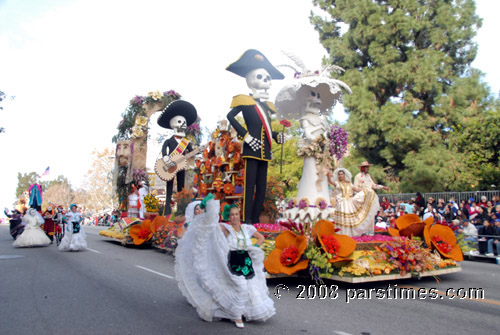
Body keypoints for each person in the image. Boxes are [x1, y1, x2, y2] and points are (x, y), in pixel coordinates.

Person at [175, 196, 275, 328]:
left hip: (246, 262)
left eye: (236, 214)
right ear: (228, 216)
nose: (234, 217)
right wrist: (209, 208)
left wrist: (253, 248)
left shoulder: (247, 228)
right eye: (231, 215)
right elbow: (211, 225)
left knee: (251, 289)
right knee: (240, 287)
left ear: (239, 215)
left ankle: (243, 312)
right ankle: (236, 315)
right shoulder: (225, 228)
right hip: (232, 262)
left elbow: (261, 238)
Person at [226, 49, 285, 224]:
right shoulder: (244, 100)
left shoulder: (267, 106)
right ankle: (246, 221)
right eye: (260, 77)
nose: (265, 81)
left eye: (267, 78)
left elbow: (265, 128)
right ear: (250, 80)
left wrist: (275, 136)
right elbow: (230, 117)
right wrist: (245, 136)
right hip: (251, 148)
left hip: (265, 150)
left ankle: (256, 220)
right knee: (249, 186)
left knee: (262, 188)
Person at [158, 100, 197, 215]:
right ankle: (167, 211)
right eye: (180, 122)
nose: (183, 125)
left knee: (181, 188)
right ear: (173, 123)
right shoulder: (169, 141)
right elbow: (164, 150)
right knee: (169, 188)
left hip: (181, 166)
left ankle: (181, 211)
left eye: (184, 122)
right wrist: (165, 157)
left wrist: (198, 151)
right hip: (170, 165)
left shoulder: (185, 142)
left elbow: (192, 152)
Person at [328, 168, 379, 236]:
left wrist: (367, 191)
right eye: (339, 174)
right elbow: (330, 181)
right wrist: (327, 175)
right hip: (341, 204)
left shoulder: (349, 184)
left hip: (349, 203)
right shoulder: (337, 183)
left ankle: (349, 234)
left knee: (350, 220)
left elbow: (357, 189)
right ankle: (342, 233)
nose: (340, 176)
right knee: (343, 219)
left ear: (344, 175)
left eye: (342, 174)